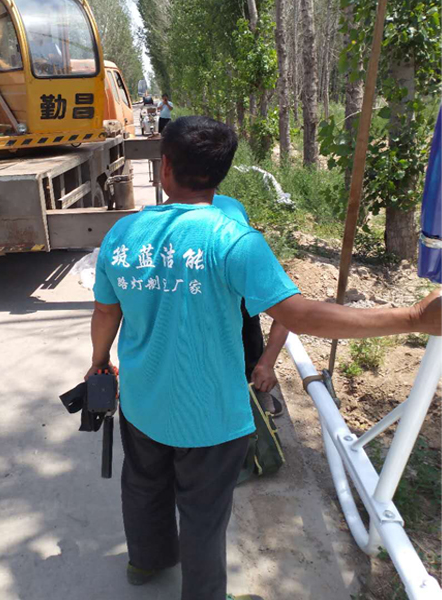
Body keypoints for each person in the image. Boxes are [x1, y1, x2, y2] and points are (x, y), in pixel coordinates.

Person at [87, 116, 440, 600]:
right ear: (221, 173)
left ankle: (145, 563)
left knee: (143, 484)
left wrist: (99, 362)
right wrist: (414, 317)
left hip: (142, 401)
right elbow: (302, 315)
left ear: (164, 167)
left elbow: (105, 311)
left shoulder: (122, 234)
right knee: (203, 513)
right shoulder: (233, 239)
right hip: (210, 414)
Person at [213, 194, 288, 416]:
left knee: (246, 317)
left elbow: (287, 311)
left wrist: (267, 363)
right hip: (210, 269)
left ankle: (255, 385)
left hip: (229, 263)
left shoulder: (239, 241)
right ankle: (253, 384)